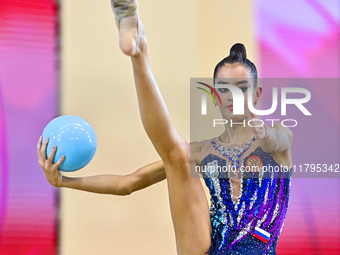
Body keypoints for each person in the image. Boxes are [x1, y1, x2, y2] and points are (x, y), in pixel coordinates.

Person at [37, 1, 293, 254]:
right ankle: (138, 50)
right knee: (178, 154)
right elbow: (129, 182)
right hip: (206, 250)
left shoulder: (279, 138)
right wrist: (64, 182)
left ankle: (140, 48)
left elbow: (277, 142)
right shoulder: (202, 151)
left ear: (257, 94)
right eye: (225, 89)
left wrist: (267, 135)